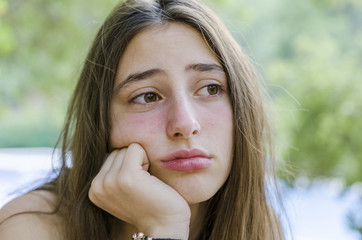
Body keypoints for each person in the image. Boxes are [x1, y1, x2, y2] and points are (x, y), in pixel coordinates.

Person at [0, 0, 285, 239]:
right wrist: (164, 228)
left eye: (211, 89)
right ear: (102, 121)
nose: (185, 124)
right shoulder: (31, 227)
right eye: (148, 96)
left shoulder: (257, 224)